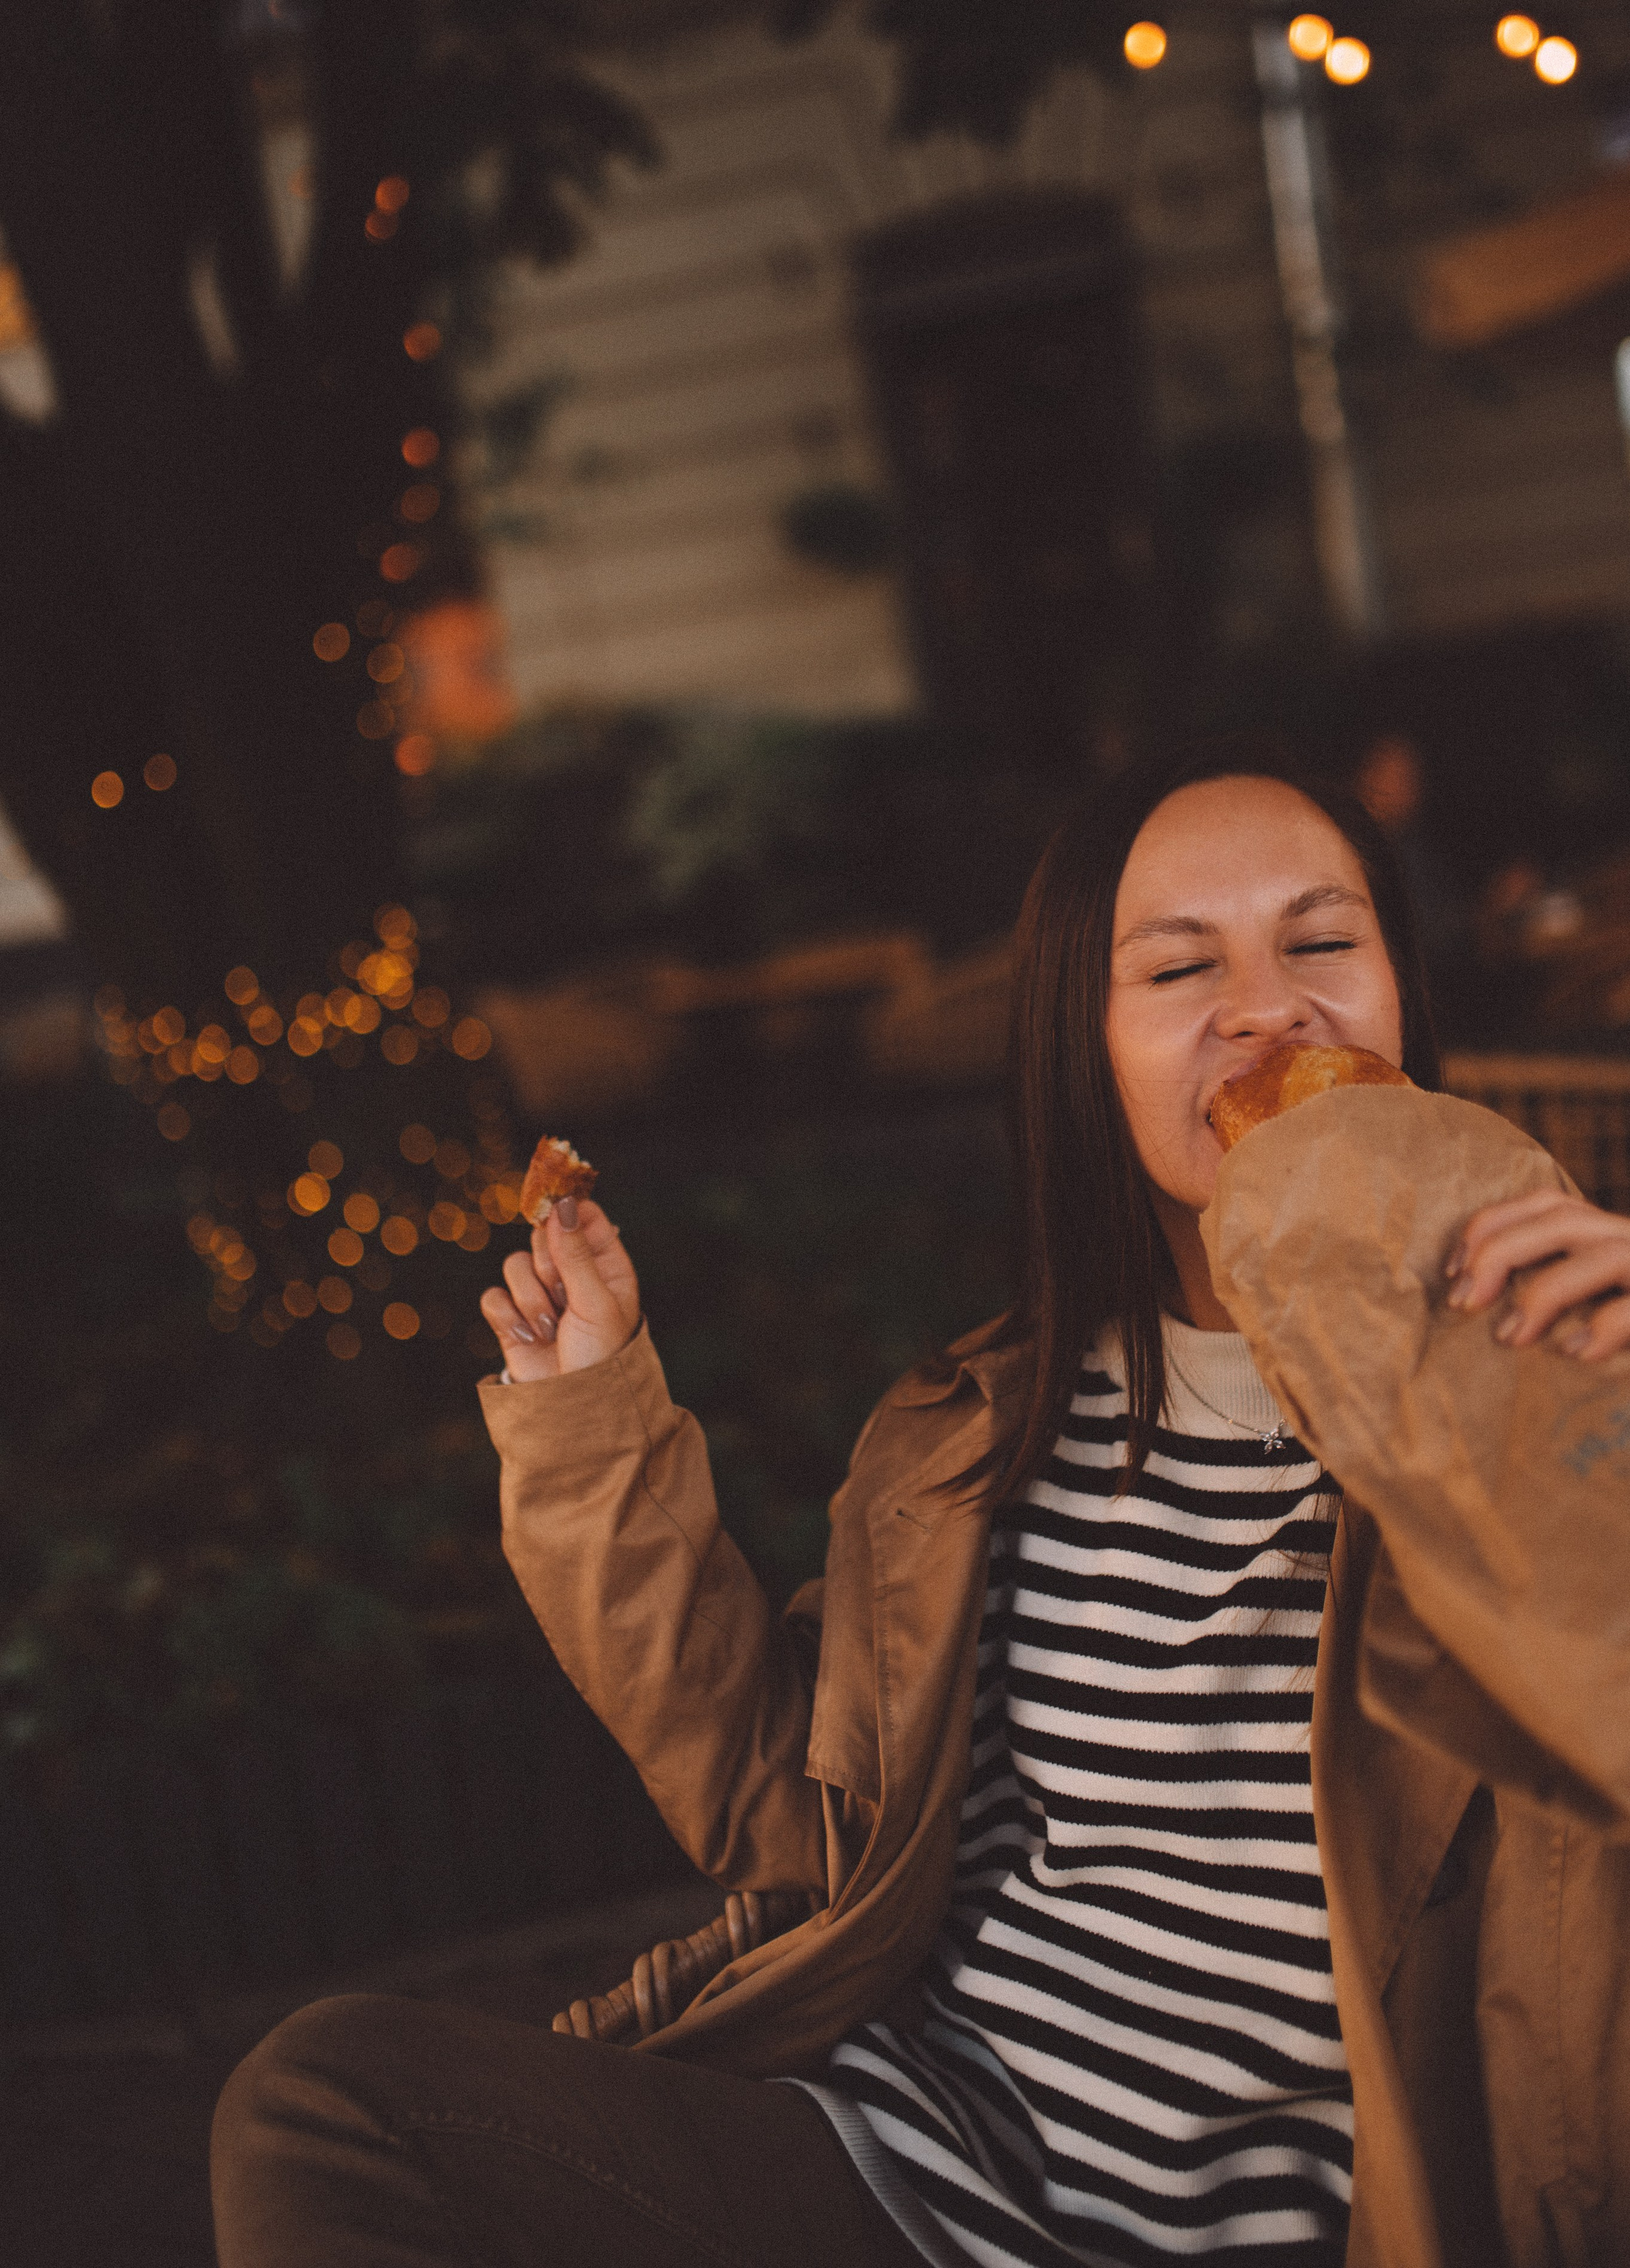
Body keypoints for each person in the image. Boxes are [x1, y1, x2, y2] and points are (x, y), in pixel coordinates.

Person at [211, 739, 1630, 2268]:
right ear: (1080, 1045)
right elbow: (795, 1817)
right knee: (328, 2099)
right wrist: (593, 1423)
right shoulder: (974, 1431)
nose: (1266, 1005)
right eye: (1176, 968)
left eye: (1322, 942)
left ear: (1400, 996)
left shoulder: (1548, 1394)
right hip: (892, 2170)